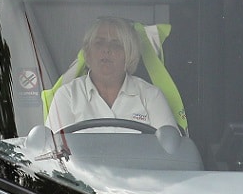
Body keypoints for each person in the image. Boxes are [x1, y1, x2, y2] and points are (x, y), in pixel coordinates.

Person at [45, 17, 178, 132]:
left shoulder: (151, 96)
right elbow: (52, 152)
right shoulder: (67, 95)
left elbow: (171, 151)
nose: (106, 49)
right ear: (87, 53)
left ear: (129, 53)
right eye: (99, 42)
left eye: (116, 44)